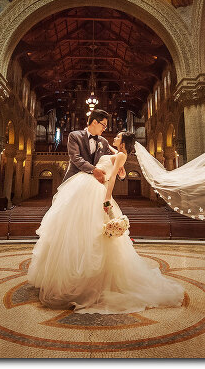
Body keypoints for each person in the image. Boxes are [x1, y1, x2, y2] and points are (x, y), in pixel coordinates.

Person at [27, 129, 184, 314]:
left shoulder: (121, 156)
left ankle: (92, 282)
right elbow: (109, 150)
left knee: (95, 232)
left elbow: (112, 181)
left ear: (124, 142)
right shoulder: (117, 153)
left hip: (98, 190)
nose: (114, 138)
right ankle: (76, 275)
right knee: (80, 228)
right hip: (87, 186)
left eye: (117, 137)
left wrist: (107, 199)